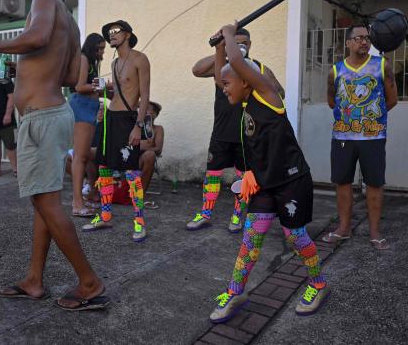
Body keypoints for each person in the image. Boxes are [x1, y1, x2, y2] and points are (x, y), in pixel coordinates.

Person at [0, 0, 107, 311]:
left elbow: (36, 37)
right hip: (52, 114)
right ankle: (34, 279)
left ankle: (89, 282)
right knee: (42, 203)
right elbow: (67, 76)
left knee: (47, 204)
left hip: (41, 119)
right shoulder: (73, 25)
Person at [209, 22, 329, 323]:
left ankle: (318, 283)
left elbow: (237, 63)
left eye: (227, 85)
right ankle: (236, 291)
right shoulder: (246, 104)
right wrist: (250, 174)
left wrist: (228, 31)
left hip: (292, 181)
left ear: (246, 81)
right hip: (264, 185)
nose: (223, 91)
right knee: (250, 239)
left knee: (295, 238)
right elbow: (225, 68)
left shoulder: (266, 94)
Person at [187, 28, 284, 233]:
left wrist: (262, 83)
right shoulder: (222, 66)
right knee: (212, 175)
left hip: (247, 134)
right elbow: (196, 70)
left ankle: (237, 216)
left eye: (244, 43)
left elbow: (279, 92)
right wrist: (221, 48)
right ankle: (205, 214)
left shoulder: (259, 68)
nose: (240, 46)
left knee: (243, 179)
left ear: (250, 45)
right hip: (221, 132)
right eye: (236, 42)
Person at [324, 24, 397, 250]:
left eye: (367, 38)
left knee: (374, 183)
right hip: (343, 138)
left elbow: (392, 99)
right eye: (358, 38)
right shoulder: (335, 70)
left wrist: (370, 121)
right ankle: (344, 228)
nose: (363, 42)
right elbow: (331, 101)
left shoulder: (381, 66)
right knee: (342, 182)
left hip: (373, 137)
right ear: (348, 43)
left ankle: (375, 232)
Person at [82, 20, 151, 243]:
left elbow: (144, 97)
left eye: (116, 31)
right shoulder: (113, 63)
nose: (111, 35)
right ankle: (105, 214)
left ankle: (140, 222)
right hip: (110, 118)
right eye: (109, 32)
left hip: (128, 120)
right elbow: (117, 95)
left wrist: (138, 126)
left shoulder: (140, 59)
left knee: (132, 172)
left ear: (128, 34)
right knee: (104, 168)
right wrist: (104, 91)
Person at [69, 33, 108, 217]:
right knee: (81, 156)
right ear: (92, 47)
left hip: (90, 106)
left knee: (83, 155)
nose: (102, 52)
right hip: (82, 106)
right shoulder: (84, 58)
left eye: (103, 49)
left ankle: (83, 199)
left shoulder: (92, 61)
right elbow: (79, 87)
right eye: (99, 49)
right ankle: (77, 203)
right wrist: (101, 86)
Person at [140, 101, 164, 208]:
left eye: (147, 109)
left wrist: (141, 147)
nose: (144, 110)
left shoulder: (158, 129)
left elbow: (158, 149)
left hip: (142, 159)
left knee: (150, 154)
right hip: (127, 159)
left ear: (155, 114)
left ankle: (140, 195)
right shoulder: (134, 126)